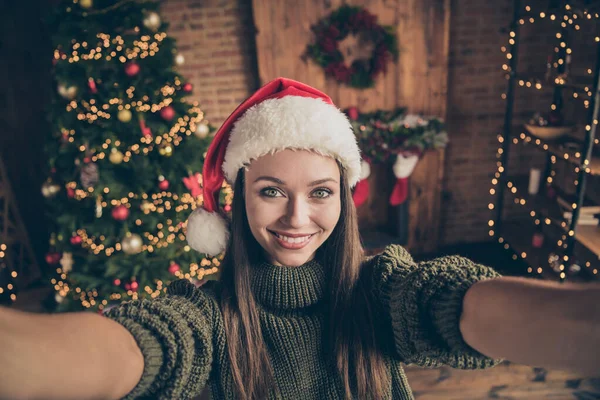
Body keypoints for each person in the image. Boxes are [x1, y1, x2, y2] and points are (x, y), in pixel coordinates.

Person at [0, 77, 598, 400]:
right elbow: (134, 349)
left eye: (319, 191)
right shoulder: (203, 319)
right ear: (237, 201)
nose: (296, 218)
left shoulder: (380, 289)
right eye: (270, 191)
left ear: (344, 195)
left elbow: (459, 304)